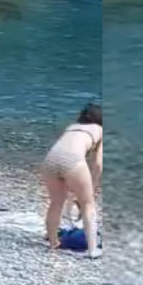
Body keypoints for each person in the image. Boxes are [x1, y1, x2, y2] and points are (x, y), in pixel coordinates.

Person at [42, 103, 103, 258]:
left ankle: (53, 243)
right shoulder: (100, 130)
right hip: (73, 160)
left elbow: (65, 149)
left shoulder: (72, 127)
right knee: (88, 204)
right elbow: (98, 164)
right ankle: (92, 249)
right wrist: (93, 188)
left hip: (50, 159)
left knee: (56, 202)